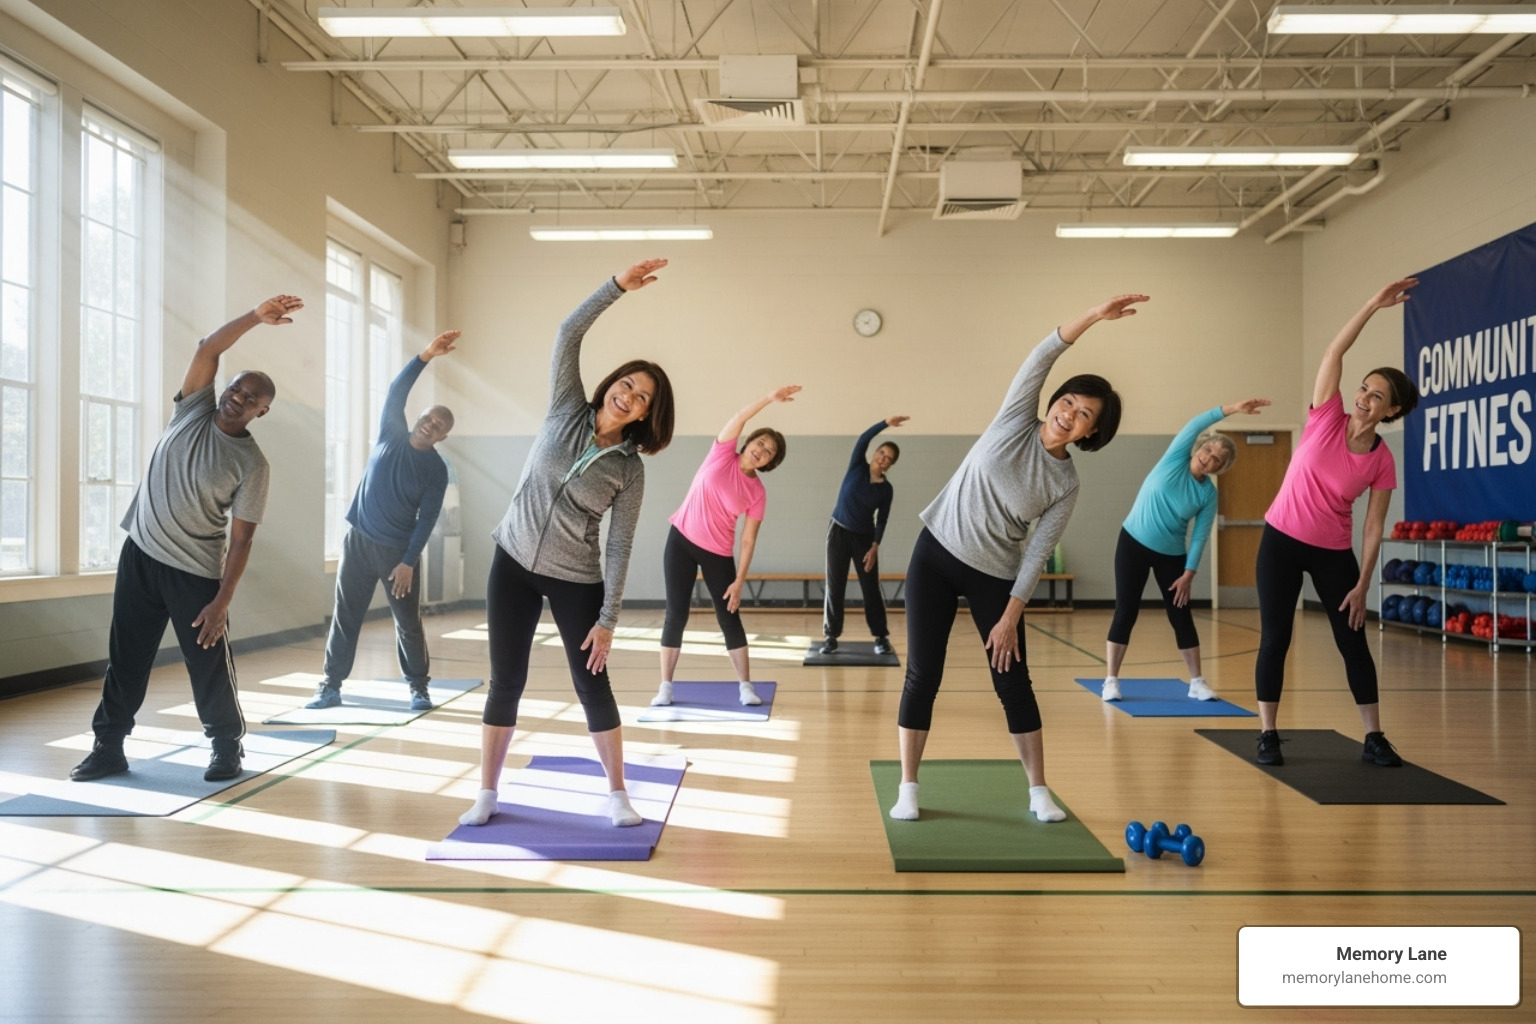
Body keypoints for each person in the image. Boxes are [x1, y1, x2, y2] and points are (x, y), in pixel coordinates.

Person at [890, 294, 1143, 824]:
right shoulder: (1014, 420)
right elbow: (1042, 356)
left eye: (1085, 415)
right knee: (923, 675)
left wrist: (1009, 617)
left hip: (996, 574)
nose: (1070, 413)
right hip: (935, 554)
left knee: (1013, 681)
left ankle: (1038, 792)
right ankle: (908, 787)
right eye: (1070, 402)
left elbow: (1037, 553)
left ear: (1092, 433)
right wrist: (1095, 317)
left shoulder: (1066, 483)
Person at [459, 260, 675, 829]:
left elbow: (620, 547)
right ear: (612, 384)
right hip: (512, 561)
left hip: (574, 577)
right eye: (628, 383)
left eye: (644, 398)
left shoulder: (630, 469)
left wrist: (608, 619)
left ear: (649, 415)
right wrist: (615, 290)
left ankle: (618, 794)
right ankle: (486, 791)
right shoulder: (565, 408)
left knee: (591, 684)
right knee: (507, 678)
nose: (630, 396)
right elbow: (567, 332)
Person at [69, 296, 302, 783]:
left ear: (262, 411)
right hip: (140, 553)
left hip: (193, 571)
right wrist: (255, 318)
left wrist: (222, 600)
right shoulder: (192, 409)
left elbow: (240, 542)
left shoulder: (252, 464)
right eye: (237, 387)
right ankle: (108, 747)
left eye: (250, 396)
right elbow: (207, 348)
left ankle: (226, 748)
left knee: (207, 663)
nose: (237, 396)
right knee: (126, 658)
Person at [1253, 278, 1420, 768]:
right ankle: (1267, 733)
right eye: (1364, 388)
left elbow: (1373, 526)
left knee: (1352, 640)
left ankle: (1374, 738)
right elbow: (1334, 350)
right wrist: (1372, 304)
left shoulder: (1382, 461)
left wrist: (1364, 582)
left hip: (1331, 553)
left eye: (1377, 395)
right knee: (1275, 639)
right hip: (1280, 542)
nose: (1364, 397)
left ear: (1392, 410)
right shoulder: (1325, 414)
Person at [305, 332, 460, 712]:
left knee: (408, 623)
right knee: (346, 617)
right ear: (419, 418)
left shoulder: (436, 471)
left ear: (443, 436)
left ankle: (419, 688)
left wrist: (408, 562)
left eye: (439, 425)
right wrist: (426, 355)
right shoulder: (390, 432)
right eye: (428, 417)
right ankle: (331, 686)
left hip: (397, 554)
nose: (430, 425)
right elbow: (397, 389)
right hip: (358, 543)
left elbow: (427, 520)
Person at [1101, 397, 1270, 703]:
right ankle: (1111, 680)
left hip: (1171, 555)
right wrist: (1232, 409)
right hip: (1132, 543)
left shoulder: (1207, 494)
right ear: (1199, 448)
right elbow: (1195, 424)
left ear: (1221, 467)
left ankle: (1197, 681)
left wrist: (1189, 575)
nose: (1209, 458)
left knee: (1181, 616)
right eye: (1208, 450)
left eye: (1217, 459)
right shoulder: (1174, 459)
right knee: (1126, 610)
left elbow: (1200, 537)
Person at [650, 386, 799, 708]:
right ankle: (665, 687)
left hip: (718, 553)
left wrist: (740, 580)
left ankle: (745, 686)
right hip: (681, 540)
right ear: (748, 442)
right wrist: (769, 399)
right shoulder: (721, 453)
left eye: (769, 451)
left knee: (729, 618)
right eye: (760, 442)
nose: (762, 450)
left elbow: (748, 539)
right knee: (675, 614)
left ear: (770, 462)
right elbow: (739, 416)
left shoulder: (758, 492)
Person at [820, 416, 908, 657]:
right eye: (881, 452)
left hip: (864, 540)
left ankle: (880, 637)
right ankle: (831, 637)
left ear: (890, 464)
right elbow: (863, 438)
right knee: (835, 585)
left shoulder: (886, 490)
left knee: (870, 588)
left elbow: (882, 520)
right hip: (838, 531)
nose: (882, 458)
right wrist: (885, 423)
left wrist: (875, 546)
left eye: (888, 458)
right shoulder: (857, 465)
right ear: (875, 453)